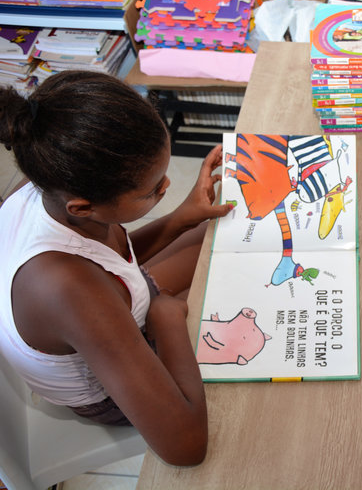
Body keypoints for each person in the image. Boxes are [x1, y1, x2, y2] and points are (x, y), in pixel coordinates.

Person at [0, 71, 232, 466]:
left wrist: (180, 218)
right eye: (153, 190)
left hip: (110, 316)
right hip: (109, 390)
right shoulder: (66, 287)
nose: (166, 187)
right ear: (83, 207)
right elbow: (186, 446)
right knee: (238, 312)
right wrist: (165, 317)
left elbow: (114, 262)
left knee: (217, 235)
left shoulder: (48, 179)